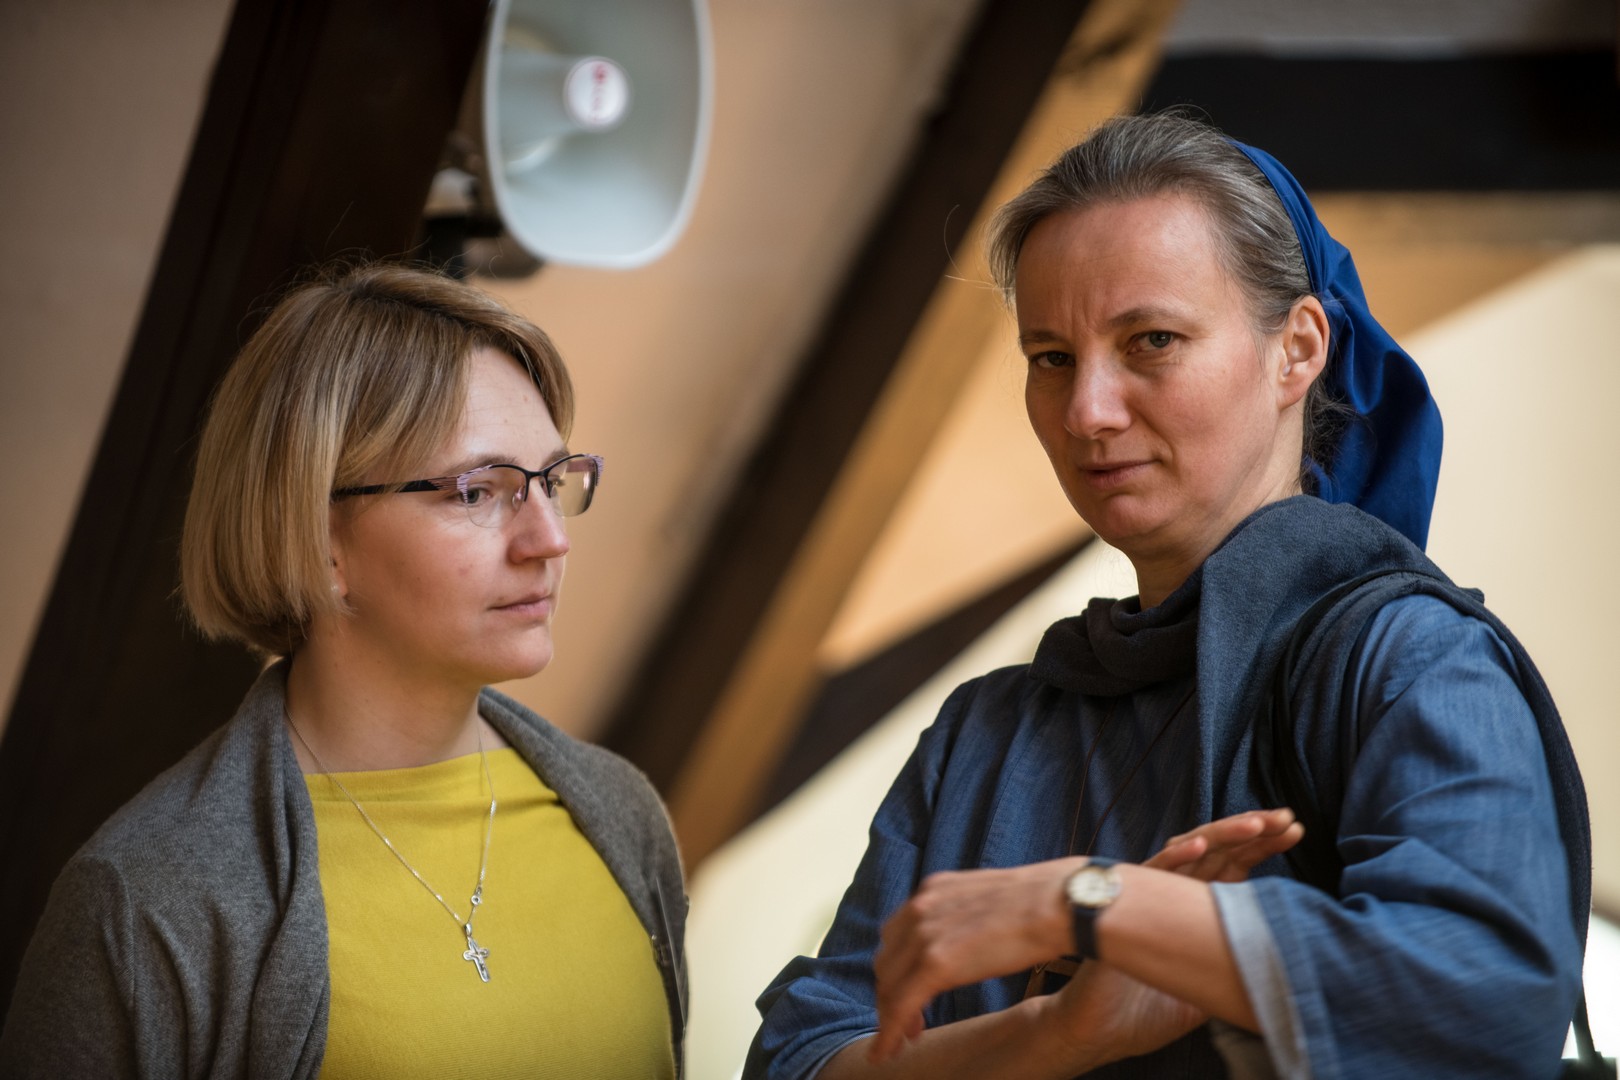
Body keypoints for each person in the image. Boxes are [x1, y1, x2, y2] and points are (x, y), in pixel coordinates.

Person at [744, 112, 1589, 1079]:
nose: (1086, 411)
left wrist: (1091, 904)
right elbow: (798, 1057)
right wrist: (1062, 1033)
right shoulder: (987, 730)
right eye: (1051, 357)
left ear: (1297, 349)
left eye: (1151, 339)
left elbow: (1489, 998)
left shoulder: (1404, 659)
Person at [0, 264, 687, 1078]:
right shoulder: (146, 903)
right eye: (478, 492)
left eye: (551, 481)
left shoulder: (622, 815)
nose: (550, 539)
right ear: (321, 543)